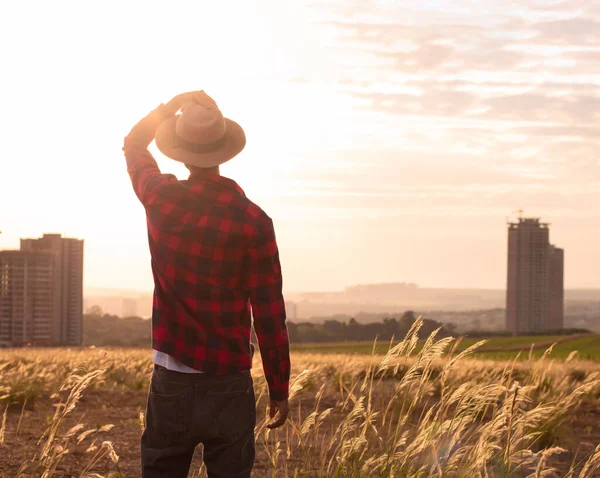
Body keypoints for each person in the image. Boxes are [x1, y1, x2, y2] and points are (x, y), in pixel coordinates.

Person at [123, 91, 291, 478]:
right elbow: (269, 313)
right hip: (229, 381)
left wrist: (172, 104)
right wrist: (278, 386)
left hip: (171, 378)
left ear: (180, 151)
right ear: (224, 151)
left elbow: (133, 144)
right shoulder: (254, 221)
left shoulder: (160, 198)